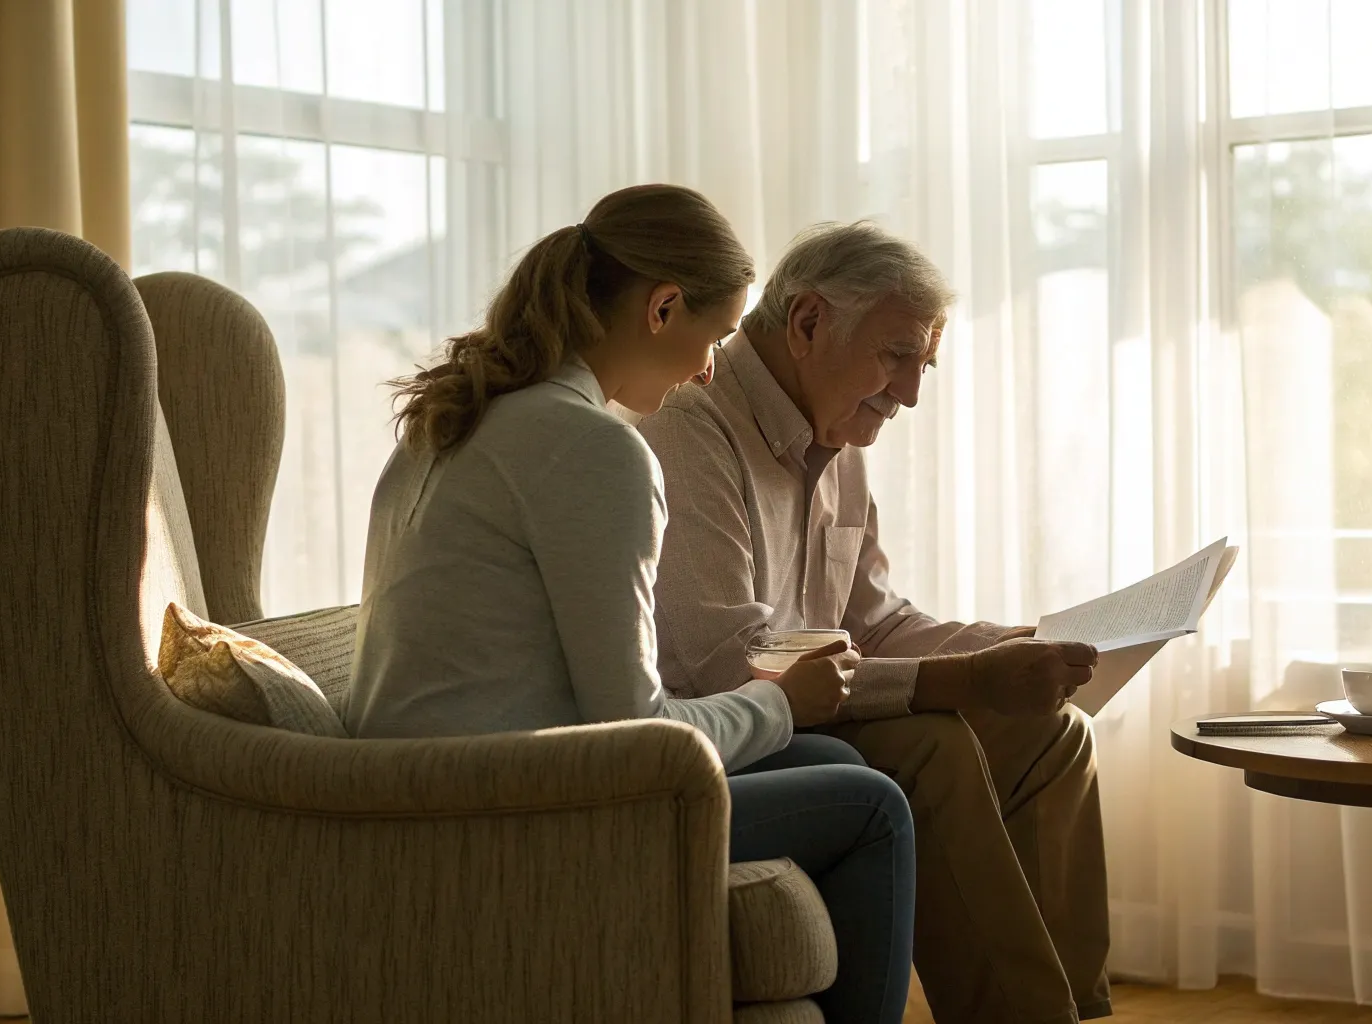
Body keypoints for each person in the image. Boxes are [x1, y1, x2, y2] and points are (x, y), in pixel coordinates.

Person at [344, 185, 915, 1024]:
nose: (710, 369)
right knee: (875, 809)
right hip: (505, 812)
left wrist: (784, 719)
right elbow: (634, 730)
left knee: (830, 763)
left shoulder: (450, 420)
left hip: (423, 792)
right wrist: (780, 700)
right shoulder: (595, 447)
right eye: (715, 337)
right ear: (663, 307)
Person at [638, 221, 1109, 1024]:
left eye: (924, 365)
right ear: (808, 322)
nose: (912, 393)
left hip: (819, 711)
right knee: (930, 745)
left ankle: (1079, 1011)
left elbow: (877, 621)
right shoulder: (689, 422)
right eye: (897, 356)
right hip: (728, 733)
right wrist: (966, 678)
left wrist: (1010, 647)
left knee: (1055, 732)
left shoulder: (838, 436)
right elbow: (730, 663)